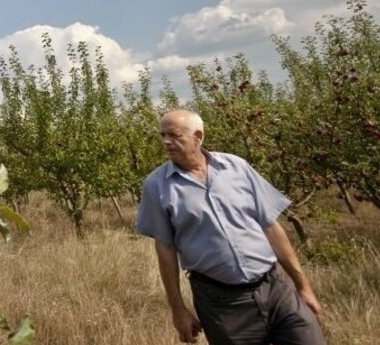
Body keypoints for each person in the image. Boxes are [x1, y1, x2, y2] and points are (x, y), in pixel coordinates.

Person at [135, 109, 326, 345]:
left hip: (275, 288)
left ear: (198, 136)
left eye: (174, 135)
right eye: (162, 135)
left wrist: (303, 287)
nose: (166, 141)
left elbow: (270, 226)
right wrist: (178, 309)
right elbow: (164, 249)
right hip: (222, 304)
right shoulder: (157, 185)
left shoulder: (236, 167)